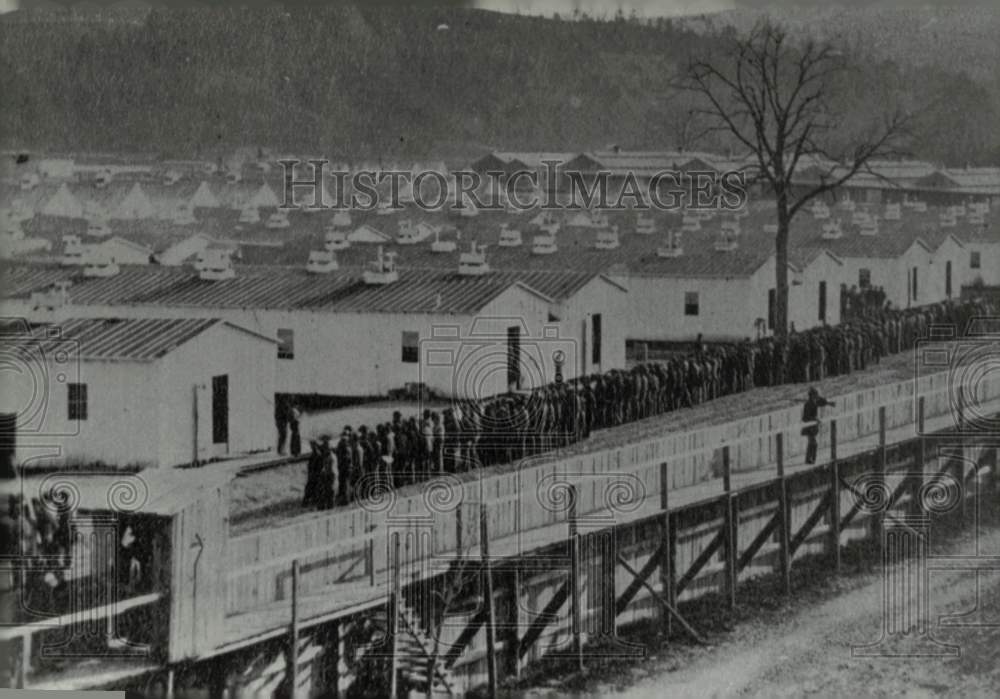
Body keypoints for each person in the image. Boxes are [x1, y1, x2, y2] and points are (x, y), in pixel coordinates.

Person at [801, 387, 835, 465]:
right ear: (812, 395)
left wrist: (829, 403)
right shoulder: (808, 404)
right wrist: (815, 419)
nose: (817, 396)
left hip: (813, 427)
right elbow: (805, 417)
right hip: (809, 427)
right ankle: (811, 460)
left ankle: (809, 459)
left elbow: (822, 401)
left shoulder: (815, 401)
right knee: (813, 443)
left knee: (811, 443)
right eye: (816, 394)